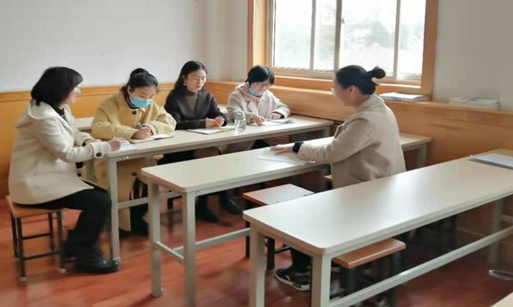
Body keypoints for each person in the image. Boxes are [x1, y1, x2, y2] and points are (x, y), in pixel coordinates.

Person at [271, 65, 406, 291]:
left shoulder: (366, 119)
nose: (334, 92)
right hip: (378, 191)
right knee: (315, 202)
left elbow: (331, 153)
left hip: (367, 199)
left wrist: (297, 147)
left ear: (351, 89)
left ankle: (303, 272)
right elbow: (344, 146)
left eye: (335, 88)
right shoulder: (380, 109)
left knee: (297, 212)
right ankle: (326, 260)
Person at [8, 67, 123, 274]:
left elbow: (74, 130)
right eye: (75, 87)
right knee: (100, 202)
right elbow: (67, 154)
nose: (79, 91)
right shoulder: (43, 118)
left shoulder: (56, 108)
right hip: (34, 184)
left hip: (49, 177)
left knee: (101, 197)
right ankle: (86, 257)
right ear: (61, 89)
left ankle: (74, 247)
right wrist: (105, 147)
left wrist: (87, 140)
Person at [91, 68, 176, 234]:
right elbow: (98, 127)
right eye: (143, 96)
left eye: (152, 96)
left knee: (159, 183)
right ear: (130, 90)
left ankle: (137, 216)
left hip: (141, 158)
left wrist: (151, 127)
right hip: (114, 161)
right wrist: (132, 133)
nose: (147, 100)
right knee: (118, 190)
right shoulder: (109, 104)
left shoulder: (151, 105)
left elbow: (170, 122)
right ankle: (120, 224)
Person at [163, 60, 242, 222]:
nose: (200, 82)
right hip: (180, 149)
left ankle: (210, 200)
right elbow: (174, 123)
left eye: (203, 78)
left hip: (203, 144)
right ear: (184, 78)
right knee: (212, 156)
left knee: (214, 155)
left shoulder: (207, 96)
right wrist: (202, 123)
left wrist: (220, 120)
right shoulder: (174, 97)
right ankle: (215, 199)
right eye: (195, 78)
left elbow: (219, 113)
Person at [225, 65, 290, 153]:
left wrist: (278, 113)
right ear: (250, 81)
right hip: (243, 141)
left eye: (267, 85)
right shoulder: (236, 96)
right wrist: (252, 117)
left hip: (263, 137)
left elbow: (283, 107)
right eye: (261, 84)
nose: (263, 88)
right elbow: (233, 113)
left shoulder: (268, 94)